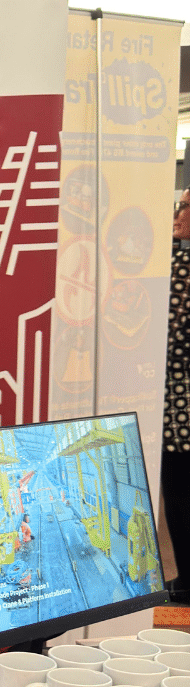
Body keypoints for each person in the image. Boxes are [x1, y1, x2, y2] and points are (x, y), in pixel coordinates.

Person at [163, 189, 189, 603]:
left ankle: (185, 584)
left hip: (178, 414)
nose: (177, 213)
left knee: (181, 495)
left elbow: (166, 340)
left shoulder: (179, 270)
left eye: (184, 206)